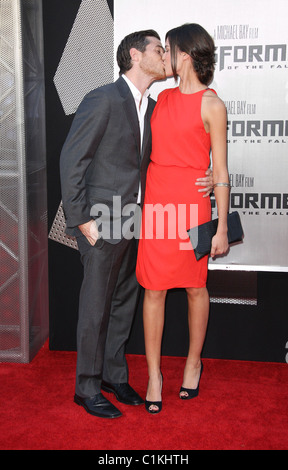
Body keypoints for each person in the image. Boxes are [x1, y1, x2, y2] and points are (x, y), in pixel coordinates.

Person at [60, 29, 212, 419]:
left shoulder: (153, 105)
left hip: (137, 222)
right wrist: (81, 221)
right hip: (102, 223)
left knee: (124, 303)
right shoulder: (103, 99)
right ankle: (87, 388)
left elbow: (173, 155)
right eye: (159, 49)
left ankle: (113, 376)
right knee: (95, 307)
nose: (165, 56)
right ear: (135, 55)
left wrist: (211, 176)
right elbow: (71, 161)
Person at [136, 23, 230, 414]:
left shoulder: (212, 104)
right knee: (153, 289)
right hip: (158, 206)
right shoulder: (159, 98)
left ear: (185, 56)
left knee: (195, 287)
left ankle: (193, 363)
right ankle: (154, 374)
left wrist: (222, 226)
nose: (164, 56)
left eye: (168, 49)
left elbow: (221, 172)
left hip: (193, 208)